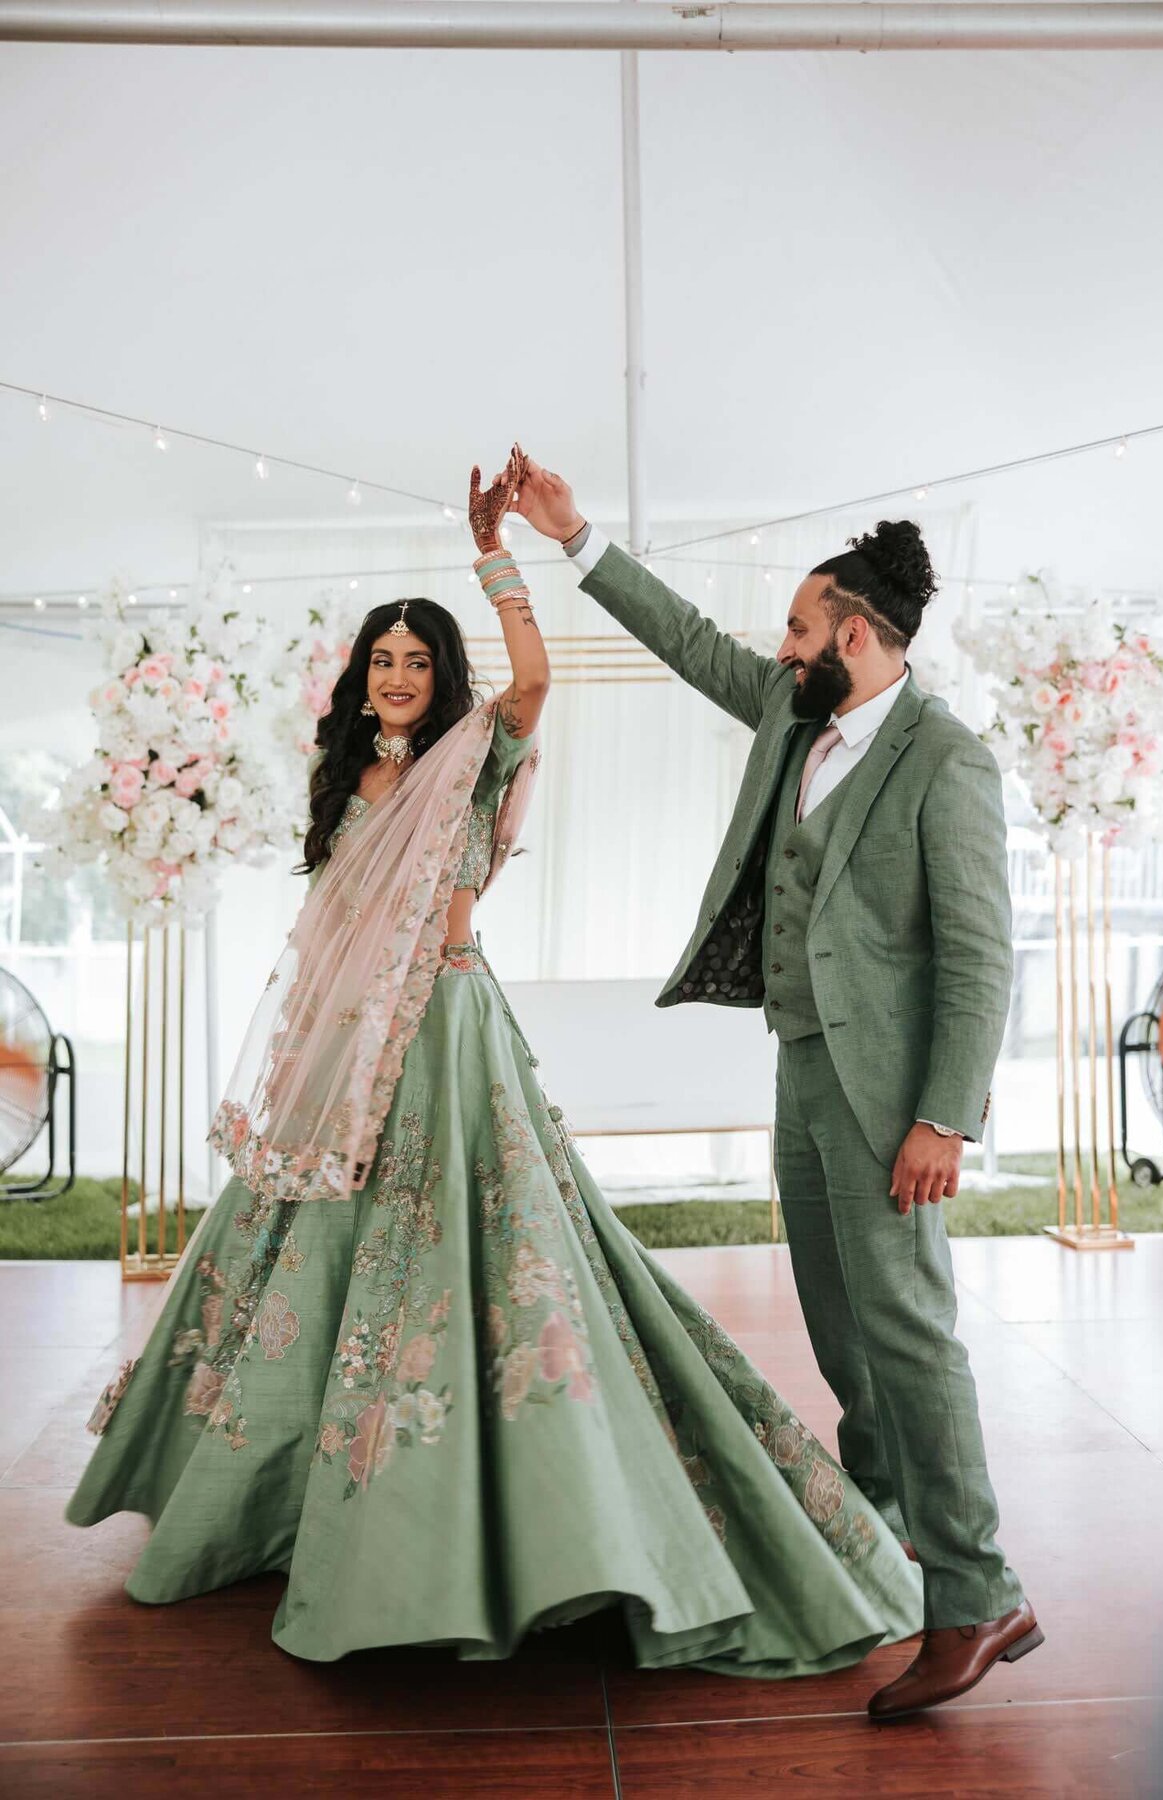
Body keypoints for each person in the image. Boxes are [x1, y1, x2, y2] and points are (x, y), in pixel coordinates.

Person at [67, 448, 922, 1678]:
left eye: (420, 661)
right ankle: (276, 1493)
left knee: (478, 1257)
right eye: (386, 661)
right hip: (348, 1040)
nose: (403, 677)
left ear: (443, 677)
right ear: (362, 679)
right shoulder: (347, 780)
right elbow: (328, 930)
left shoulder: (482, 749)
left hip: (451, 1031)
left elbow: (533, 676)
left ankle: (502, 1517)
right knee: (305, 1252)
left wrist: (497, 559)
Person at [513, 459, 1041, 1718]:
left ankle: (979, 1596)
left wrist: (944, 1117)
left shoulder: (945, 761)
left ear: (856, 635)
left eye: (800, 626)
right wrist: (573, 534)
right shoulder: (795, 711)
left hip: (894, 1100)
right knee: (842, 1331)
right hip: (804, 1069)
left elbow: (980, 957)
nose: (781, 643)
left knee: (911, 1336)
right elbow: (685, 638)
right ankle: (885, 1540)